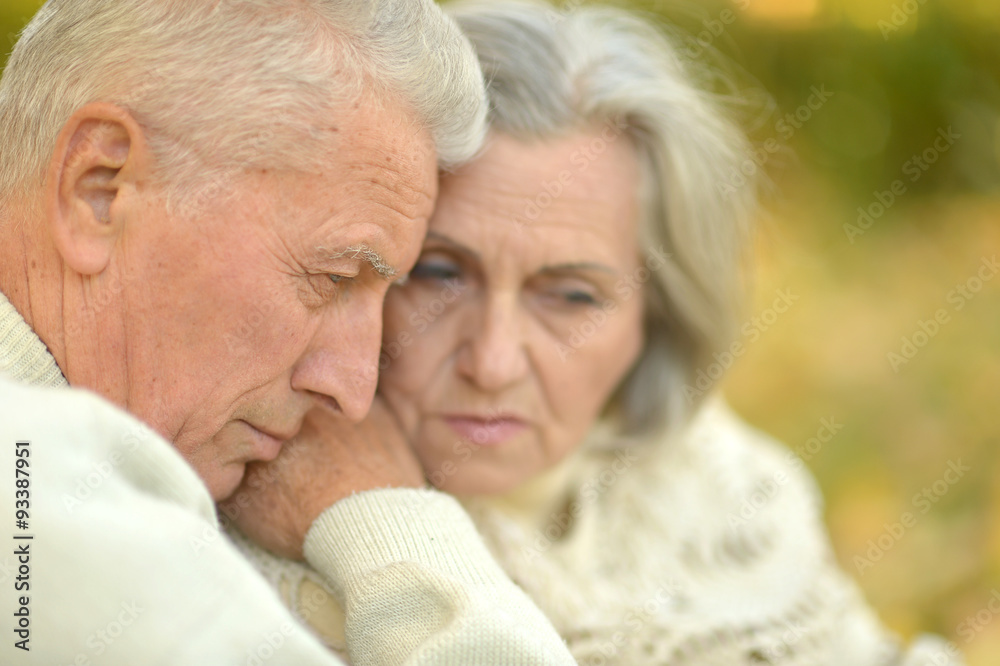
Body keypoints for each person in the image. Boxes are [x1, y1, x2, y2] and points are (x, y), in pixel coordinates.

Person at [233, 1, 966, 664]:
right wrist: (378, 530)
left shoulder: (730, 494)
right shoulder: (232, 496)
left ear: (659, 317)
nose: (491, 363)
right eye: (440, 274)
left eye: (572, 296)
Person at [0, 0, 578, 663]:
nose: (356, 394)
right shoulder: (39, 484)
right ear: (98, 188)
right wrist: (388, 525)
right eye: (333, 278)